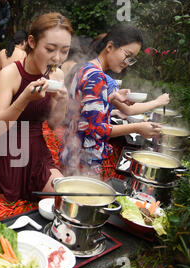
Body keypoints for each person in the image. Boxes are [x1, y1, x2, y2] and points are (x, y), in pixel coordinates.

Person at [0, 12, 72, 202]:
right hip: (9, 150)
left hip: (37, 150)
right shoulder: (10, 74)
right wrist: (24, 99)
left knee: (63, 197)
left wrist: (63, 101)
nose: (57, 58)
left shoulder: (57, 76)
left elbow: (52, 124)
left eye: (64, 51)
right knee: (8, 207)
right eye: (50, 49)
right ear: (31, 42)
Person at [60, 24, 162, 176]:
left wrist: (109, 97)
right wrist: (137, 128)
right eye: (127, 55)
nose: (127, 62)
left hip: (72, 152)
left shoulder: (86, 68)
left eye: (132, 59)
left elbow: (82, 110)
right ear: (110, 46)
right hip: (83, 161)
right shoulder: (97, 77)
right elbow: (96, 129)